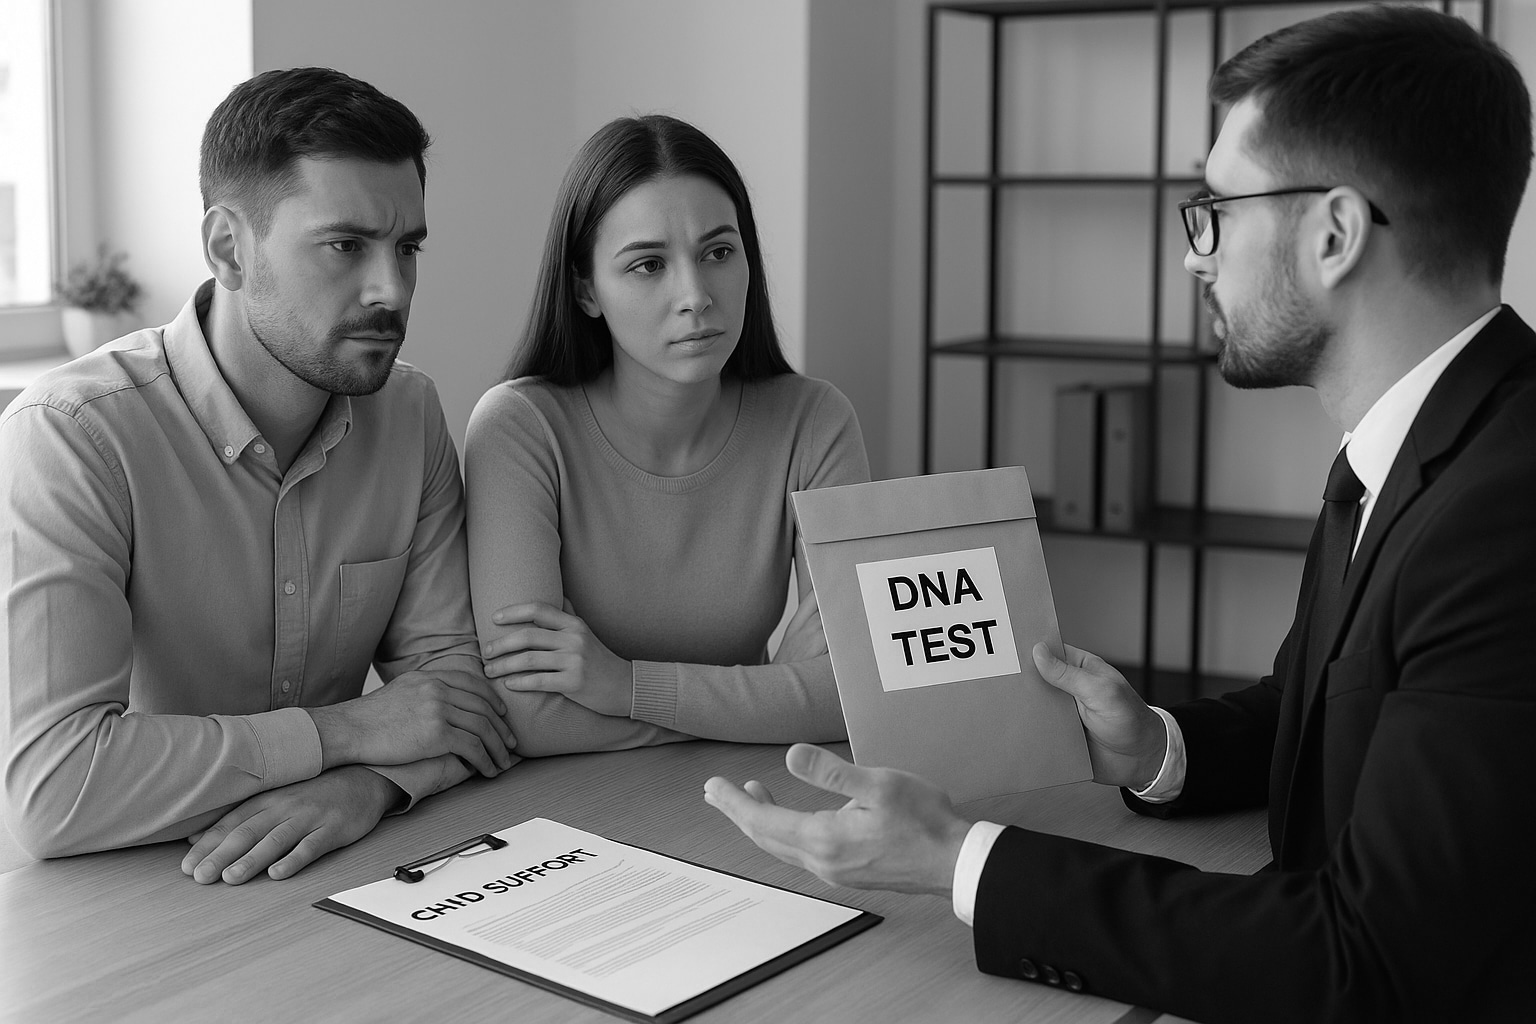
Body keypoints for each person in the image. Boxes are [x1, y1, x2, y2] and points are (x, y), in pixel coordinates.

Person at [705, 7, 1536, 1022]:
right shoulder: (1434, 441)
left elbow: (1366, 961)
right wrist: (1150, 747)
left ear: (1334, 234)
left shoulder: (1505, 512)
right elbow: (1321, 706)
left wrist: (958, 859)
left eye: (1215, 210)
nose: (1196, 255)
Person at [0, 67, 516, 885]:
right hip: (128, 896)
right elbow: (56, 790)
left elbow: (458, 698)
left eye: (407, 248)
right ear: (228, 248)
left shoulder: (408, 412)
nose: (392, 289)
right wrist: (345, 735)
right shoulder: (72, 436)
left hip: (328, 872)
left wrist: (365, 787)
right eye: (347, 246)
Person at [464, 115, 869, 755]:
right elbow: (532, 718)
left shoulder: (813, 421)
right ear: (585, 290)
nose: (696, 295)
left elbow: (849, 698)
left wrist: (624, 686)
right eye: (648, 265)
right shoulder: (521, 429)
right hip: (570, 809)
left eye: (718, 252)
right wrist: (766, 705)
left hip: (751, 789)